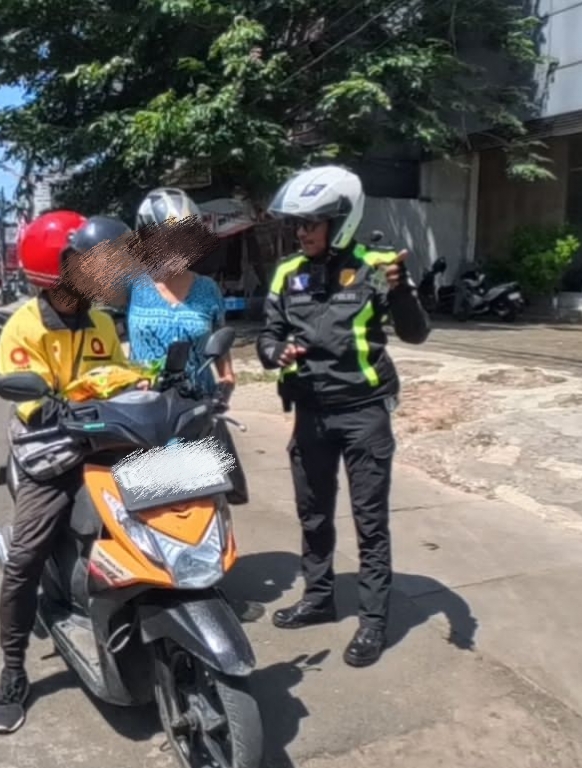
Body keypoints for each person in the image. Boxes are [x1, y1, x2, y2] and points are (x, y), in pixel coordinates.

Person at [257, 165, 430, 668]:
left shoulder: (379, 266)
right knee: (313, 513)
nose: (301, 232)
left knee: (369, 521)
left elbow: (416, 333)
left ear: (341, 221)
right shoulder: (288, 272)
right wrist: (275, 353)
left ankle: (373, 621)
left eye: (311, 223)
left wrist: (401, 291)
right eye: (298, 224)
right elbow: (268, 337)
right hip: (310, 414)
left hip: (363, 414)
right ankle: (318, 597)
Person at [0, 210, 137, 735]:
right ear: (58, 271)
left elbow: (118, 375)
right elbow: (29, 397)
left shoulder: (101, 322)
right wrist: (62, 404)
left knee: (163, 502)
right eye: (91, 263)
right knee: (25, 557)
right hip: (47, 452)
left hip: (102, 441)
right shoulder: (24, 326)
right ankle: (12, 669)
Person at [126, 187, 247, 505]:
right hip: (145, 418)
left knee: (208, 510)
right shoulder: (131, 288)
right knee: (151, 512)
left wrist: (224, 388)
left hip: (196, 416)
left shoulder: (208, 290)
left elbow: (223, 358)